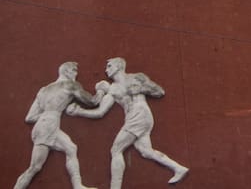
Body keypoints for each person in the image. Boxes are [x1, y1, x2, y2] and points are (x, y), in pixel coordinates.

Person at [67, 57, 188, 188]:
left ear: (119, 66)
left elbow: (159, 91)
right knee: (145, 151)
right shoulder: (113, 89)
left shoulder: (136, 77)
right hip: (135, 117)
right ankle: (178, 168)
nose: (106, 70)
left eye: (109, 66)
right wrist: (80, 111)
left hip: (139, 114)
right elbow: (100, 112)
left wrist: (141, 89)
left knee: (116, 150)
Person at [14, 61, 100, 189]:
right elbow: (92, 101)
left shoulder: (44, 90)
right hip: (48, 127)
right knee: (35, 167)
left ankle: (78, 186)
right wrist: (101, 90)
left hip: (44, 126)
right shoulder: (70, 84)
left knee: (71, 148)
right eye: (74, 70)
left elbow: (30, 117)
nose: (76, 74)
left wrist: (48, 115)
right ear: (67, 71)